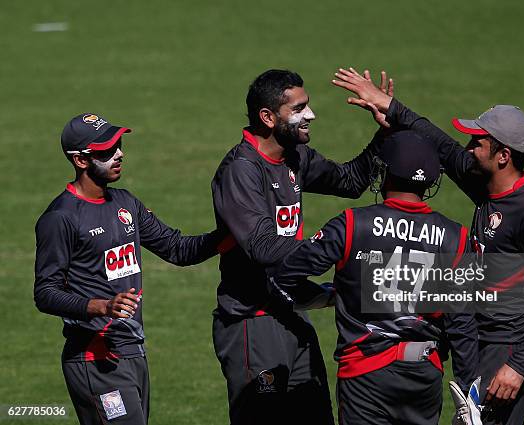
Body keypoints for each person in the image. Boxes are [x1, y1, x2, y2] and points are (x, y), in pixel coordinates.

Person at [332, 68, 524, 425]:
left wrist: (517, 367)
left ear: (503, 155)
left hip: (505, 351)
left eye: (478, 143)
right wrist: (391, 109)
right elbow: (440, 145)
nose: (469, 149)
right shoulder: (487, 187)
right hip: (479, 341)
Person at [211, 69, 393, 425]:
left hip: (292, 314)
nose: (311, 115)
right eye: (299, 108)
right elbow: (262, 247)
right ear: (268, 117)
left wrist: (386, 131)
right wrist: (332, 247)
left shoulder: (293, 156)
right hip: (254, 322)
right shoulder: (241, 171)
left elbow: (351, 180)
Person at [268, 129, 480, 425]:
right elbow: (462, 325)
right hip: (424, 377)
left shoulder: (352, 225)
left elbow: (285, 275)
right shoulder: (456, 239)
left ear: (385, 172)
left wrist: (322, 296)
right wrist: (471, 394)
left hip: (365, 376)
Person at [34, 113, 221, 425]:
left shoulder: (125, 203)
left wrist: (234, 233)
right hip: (95, 358)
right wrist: (103, 306)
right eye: (107, 149)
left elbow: (177, 249)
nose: (119, 153)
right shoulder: (61, 218)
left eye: (118, 144)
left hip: (132, 351)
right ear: (81, 161)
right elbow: (45, 293)